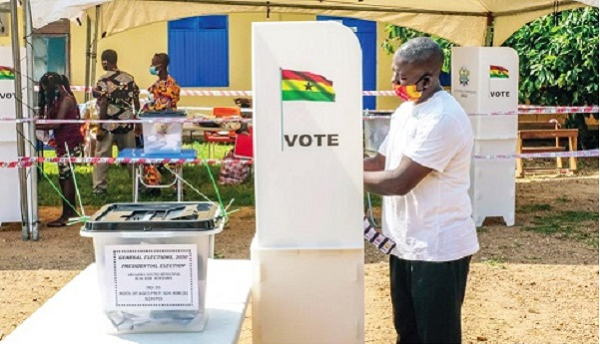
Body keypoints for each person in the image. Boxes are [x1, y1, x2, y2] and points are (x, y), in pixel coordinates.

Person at [363, 37, 479, 344]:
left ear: (426, 80)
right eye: (393, 74)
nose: (393, 84)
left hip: (437, 249)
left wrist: (343, 178)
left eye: (401, 79)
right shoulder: (406, 111)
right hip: (403, 243)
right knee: (408, 331)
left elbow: (398, 182)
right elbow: (380, 163)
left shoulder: (443, 118)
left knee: (437, 336)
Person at [36, 72, 84, 227]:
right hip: (64, 143)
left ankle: (67, 215)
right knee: (65, 177)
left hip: (69, 143)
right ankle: (70, 211)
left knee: (66, 177)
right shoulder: (62, 99)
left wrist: (34, 125)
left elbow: (57, 123)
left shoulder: (67, 100)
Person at [92, 49, 140, 195]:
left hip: (109, 124)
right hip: (127, 124)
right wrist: (136, 120)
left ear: (105, 62)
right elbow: (136, 103)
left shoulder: (103, 81)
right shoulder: (130, 79)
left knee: (102, 156)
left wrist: (100, 126)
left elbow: (104, 104)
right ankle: (139, 184)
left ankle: (99, 188)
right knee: (131, 156)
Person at [141, 53, 181, 193]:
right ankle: (153, 186)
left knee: (173, 158)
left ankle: (178, 187)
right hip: (154, 125)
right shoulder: (157, 84)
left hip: (167, 126)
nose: (151, 66)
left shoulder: (170, 85)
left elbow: (162, 106)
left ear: (161, 65)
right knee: (151, 156)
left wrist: (147, 108)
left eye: (154, 63)